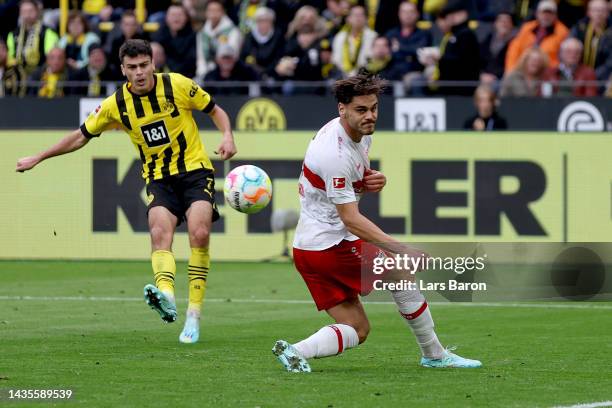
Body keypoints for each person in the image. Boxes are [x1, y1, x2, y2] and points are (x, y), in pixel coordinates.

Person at [15, 39, 237, 344]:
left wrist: (227, 135)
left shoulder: (177, 86)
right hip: (158, 179)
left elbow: (216, 110)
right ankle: (168, 296)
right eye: (132, 68)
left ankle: (194, 314)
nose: (139, 72)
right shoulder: (115, 104)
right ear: (123, 70)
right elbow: (80, 137)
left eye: (144, 65)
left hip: (195, 172)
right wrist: (39, 157)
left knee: (199, 234)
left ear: (153, 64)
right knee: (159, 232)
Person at [271, 71, 482, 372]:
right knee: (398, 270)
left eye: (373, 108)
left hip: (309, 249)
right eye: (361, 110)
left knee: (358, 329)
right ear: (342, 109)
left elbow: (343, 188)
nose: (370, 116)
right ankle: (435, 354)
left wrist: (371, 180)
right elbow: (351, 219)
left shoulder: (356, 135)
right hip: (331, 245)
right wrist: (402, 250)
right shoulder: (334, 152)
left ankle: (295, 350)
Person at [505, 0, 569, 72]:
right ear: (537, 14)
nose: (546, 16)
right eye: (543, 13)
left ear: (556, 15)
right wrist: (511, 70)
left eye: (550, 13)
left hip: (547, 73)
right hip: (523, 71)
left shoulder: (562, 32)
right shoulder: (527, 28)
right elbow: (514, 50)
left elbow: (565, 59)